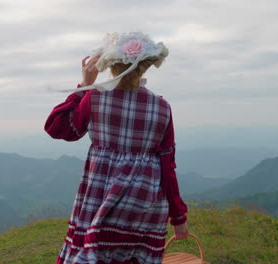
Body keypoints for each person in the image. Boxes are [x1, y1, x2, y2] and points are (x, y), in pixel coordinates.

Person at [45, 32, 188, 264]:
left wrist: (85, 85)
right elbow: (167, 166)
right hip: (144, 205)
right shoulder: (162, 107)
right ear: (146, 66)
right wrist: (178, 216)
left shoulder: (94, 98)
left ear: (110, 64)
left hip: (100, 198)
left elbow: (57, 127)